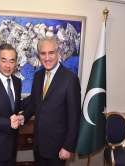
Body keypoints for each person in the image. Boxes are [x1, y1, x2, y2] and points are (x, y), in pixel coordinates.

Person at [19, 37, 81, 166]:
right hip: (38, 145)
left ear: (58, 53)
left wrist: (68, 147)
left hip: (58, 148)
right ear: (39, 55)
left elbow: (74, 117)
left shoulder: (70, 79)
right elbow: (35, 103)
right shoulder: (38, 76)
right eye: (43, 53)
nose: (47, 58)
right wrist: (23, 117)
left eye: (51, 53)